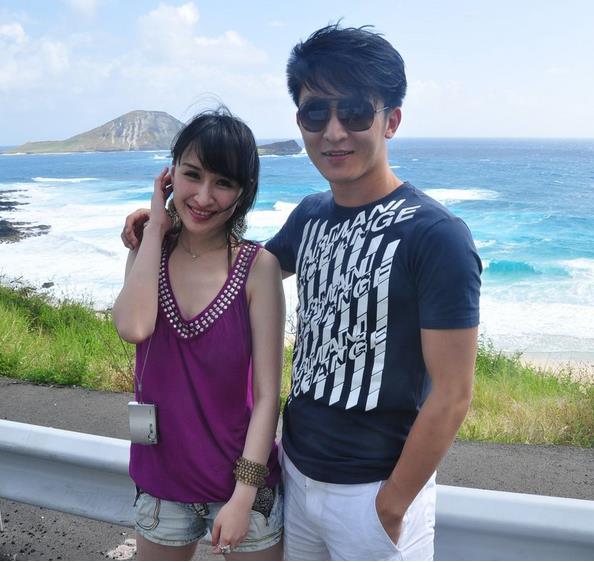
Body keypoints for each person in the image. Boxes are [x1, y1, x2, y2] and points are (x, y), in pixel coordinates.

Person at [122, 24, 481, 561]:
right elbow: (232, 265)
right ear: (300, 122)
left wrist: (391, 505)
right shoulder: (311, 215)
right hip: (295, 475)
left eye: (354, 112)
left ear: (391, 121)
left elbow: (453, 394)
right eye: (316, 114)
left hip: (373, 492)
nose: (333, 131)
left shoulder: (436, 236)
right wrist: (165, 227)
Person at [113, 107, 285, 561]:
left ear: (243, 192)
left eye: (223, 182)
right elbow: (133, 327)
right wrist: (155, 227)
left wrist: (244, 495)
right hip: (162, 484)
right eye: (192, 175)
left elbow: (267, 395)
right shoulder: (149, 250)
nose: (204, 197)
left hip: (242, 484)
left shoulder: (258, 268)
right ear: (170, 175)